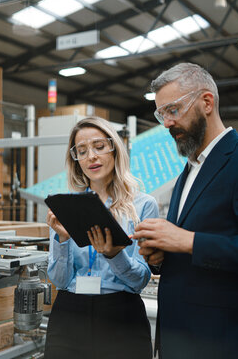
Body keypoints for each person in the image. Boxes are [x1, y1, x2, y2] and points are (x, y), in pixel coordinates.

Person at [133, 63, 238, 359]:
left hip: (219, 342)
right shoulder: (189, 169)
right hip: (177, 339)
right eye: (162, 114)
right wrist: (162, 255)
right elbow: (188, 246)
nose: (167, 123)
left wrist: (187, 241)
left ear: (206, 102)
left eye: (173, 110)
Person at [44, 117, 158, 359]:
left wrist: (115, 254)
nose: (91, 157)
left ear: (114, 149)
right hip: (69, 315)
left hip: (121, 316)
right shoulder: (65, 207)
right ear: (75, 160)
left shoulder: (143, 206)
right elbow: (59, 281)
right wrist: (62, 240)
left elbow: (139, 281)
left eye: (99, 146)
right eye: (82, 151)